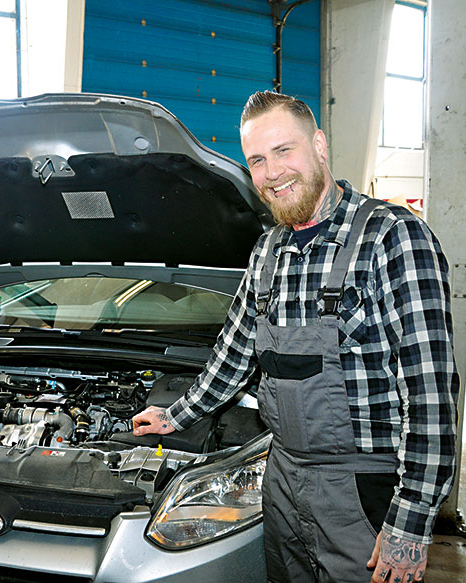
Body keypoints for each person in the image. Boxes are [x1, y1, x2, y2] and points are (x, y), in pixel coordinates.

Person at [132, 91, 458, 583]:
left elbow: (430, 394)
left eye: (284, 150)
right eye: (257, 160)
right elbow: (234, 355)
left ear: (320, 146)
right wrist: (172, 416)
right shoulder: (267, 251)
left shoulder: (392, 237)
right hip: (282, 477)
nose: (272, 172)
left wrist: (411, 524)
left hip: (363, 488)